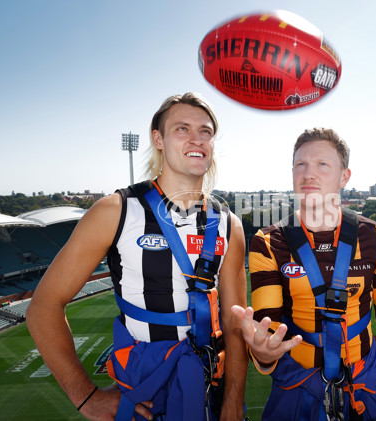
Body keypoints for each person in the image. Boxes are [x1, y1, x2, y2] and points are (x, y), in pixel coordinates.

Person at [27, 92, 248, 421]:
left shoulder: (230, 224)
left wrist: (232, 402)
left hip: (208, 392)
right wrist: (87, 398)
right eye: (182, 129)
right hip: (145, 391)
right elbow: (43, 307)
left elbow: (233, 323)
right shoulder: (115, 210)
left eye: (205, 131)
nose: (197, 139)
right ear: (158, 139)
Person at [232, 128, 376, 420]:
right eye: (300, 164)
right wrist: (264, 355)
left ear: (344, 176)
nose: (308, 174)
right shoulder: (268, 242)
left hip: (362, 390)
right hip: (296, 388)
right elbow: (268, 334)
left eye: (322, 164)